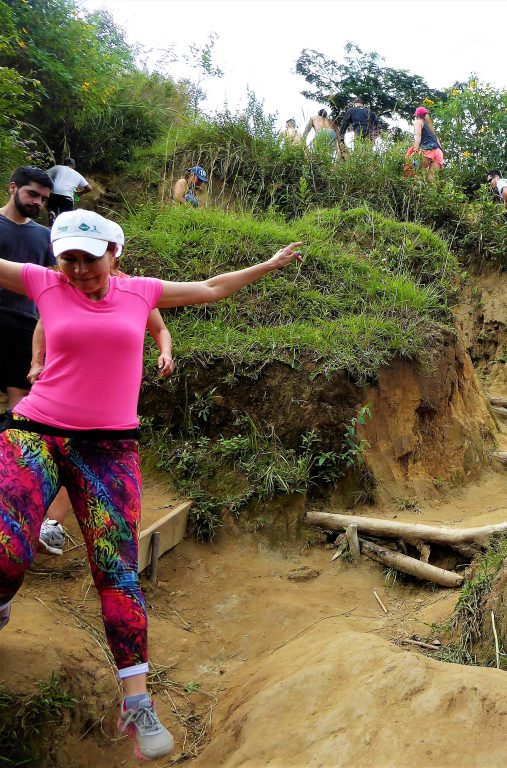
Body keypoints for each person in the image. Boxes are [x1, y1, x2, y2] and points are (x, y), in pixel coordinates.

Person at [0, 208, 303, 760]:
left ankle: (136, 702)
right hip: (35, 429)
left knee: (116, 571)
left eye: (89, 258)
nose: (77, 268)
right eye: (67, 257)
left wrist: (270, 263)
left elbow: (212, 289)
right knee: (6, 546)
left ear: (115, 254)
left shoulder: (141, 293)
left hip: (111, 446)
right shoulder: (44, 282)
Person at [30, 274, 175, 558]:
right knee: (46, 456)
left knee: (80, 457)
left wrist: (166, 352)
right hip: (62, 391)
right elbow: (44, 324)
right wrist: (37, 362)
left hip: (108, 399)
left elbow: (160, 328)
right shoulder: (66, 284)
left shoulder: (134, 290)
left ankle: (52, 525)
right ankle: (30, 523)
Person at [1, 167, 54, 411]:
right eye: (32, 194)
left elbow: (53, 281)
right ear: (13, 187)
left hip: (25, 321)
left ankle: (10, 446)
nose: (38, 202)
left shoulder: (45, 235)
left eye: (43, 199)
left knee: (20, 388)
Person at [45, 158, 91, 223]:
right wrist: (80, 193)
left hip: (54, 193)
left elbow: (44, 175)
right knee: (65, 217)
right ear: (74, 166)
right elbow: (89, 188)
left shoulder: (57, 168)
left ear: (64, 164)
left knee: (51, 207)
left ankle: (52, 213)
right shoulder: (77, 174)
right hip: (68, 197)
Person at [405, 107, 444, 180]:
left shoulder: (418, 122)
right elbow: (438, 141)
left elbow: (417, 135)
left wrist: (416, 150)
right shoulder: (430, 126)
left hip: (428, 150)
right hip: (438, 152)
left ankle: (413, 190)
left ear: (417, 115)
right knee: (431, 179)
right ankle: (432, 191)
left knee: (415, 172)